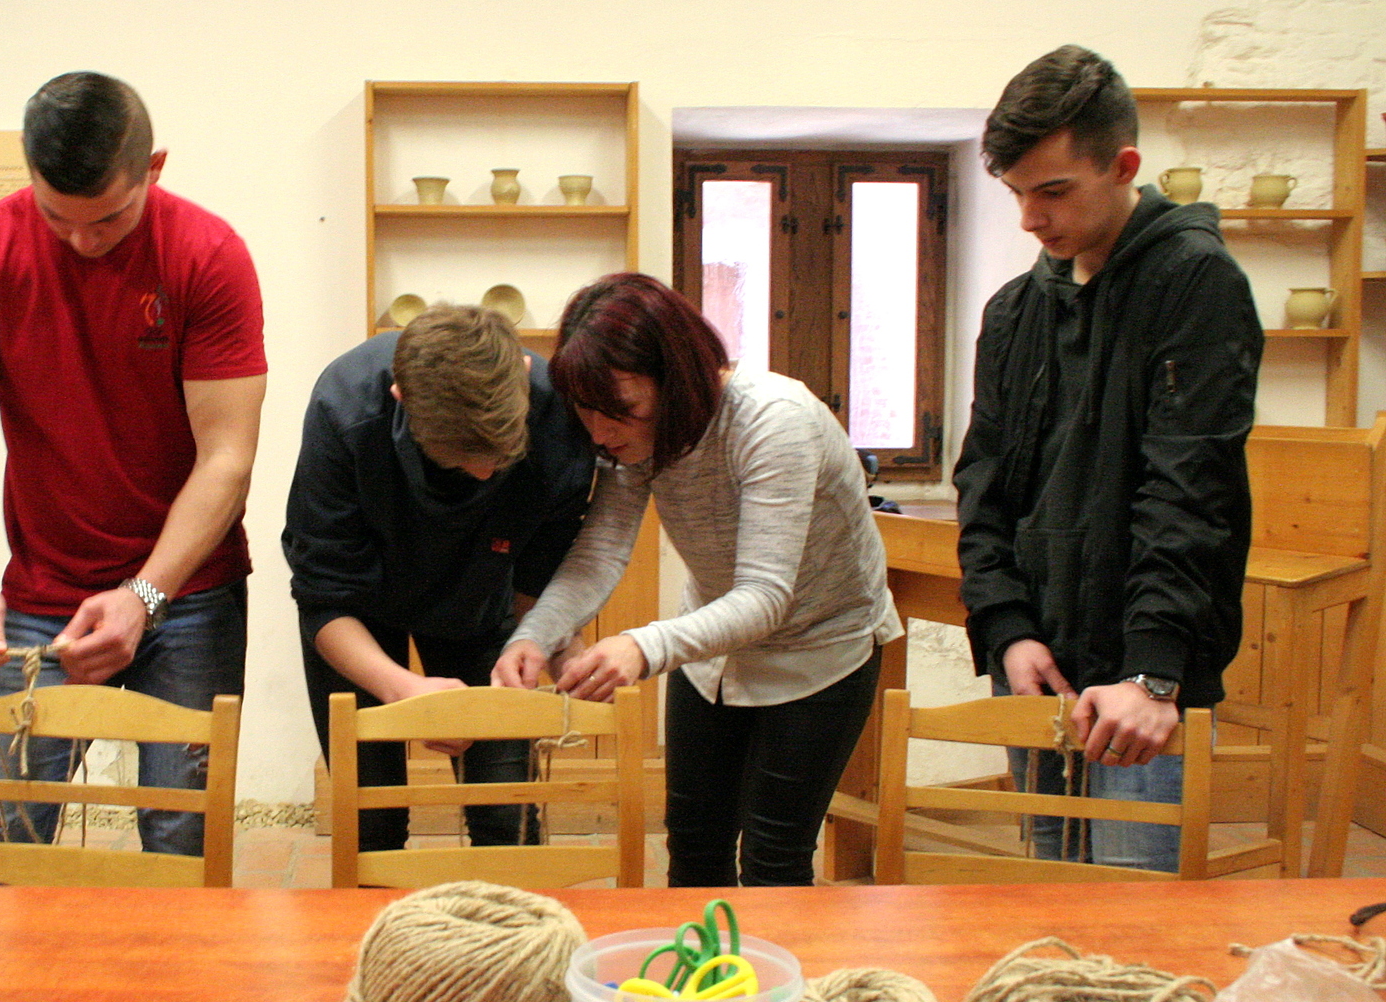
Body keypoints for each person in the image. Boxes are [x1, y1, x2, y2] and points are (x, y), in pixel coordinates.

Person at [0, 71, 266, 855]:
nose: (82, 241)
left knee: (182, 840)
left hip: (188, 596)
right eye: (57, 217)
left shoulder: (208, 255)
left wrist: (145, 594)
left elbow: (227, 457)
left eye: (108, 218)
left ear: (155, 169)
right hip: (40, 592)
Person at [954, 45, 1261, 871]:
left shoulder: (1197, 283)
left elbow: (1190, 490)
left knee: (1135, 918)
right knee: (1048, 905)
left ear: (1123, 167)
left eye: (1053, 191)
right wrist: (1007, 631)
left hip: (1142, 683)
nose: (1030, 218)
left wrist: (1154, 675)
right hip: (1037, 667)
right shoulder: (1014, 311)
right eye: (1016, 193)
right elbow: (983, 484)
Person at [494, 273, 901, 886]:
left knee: (774, 860)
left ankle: (766, 957)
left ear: (678, 379)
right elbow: (601, 550)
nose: (600, 433)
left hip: (821, 649)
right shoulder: (634, 437)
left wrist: (642, 646)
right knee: (692, 846)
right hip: (712, 650)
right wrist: (534, 635)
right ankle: (697, 957)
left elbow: (765, 596)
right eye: (586, 411)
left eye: (622, 412)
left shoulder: (774, 421)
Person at [284, 305, 595, 851]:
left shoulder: (558, 416)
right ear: (401, 398)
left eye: (500, 456)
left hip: (481, 599)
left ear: (523, 377)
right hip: (358, 609)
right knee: (372, 823)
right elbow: (323, 599)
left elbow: (540, 574)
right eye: (459, 458)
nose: (484, 472)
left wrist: (546, 642)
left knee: (508, 818)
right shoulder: (346, 406)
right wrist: (404, 690)